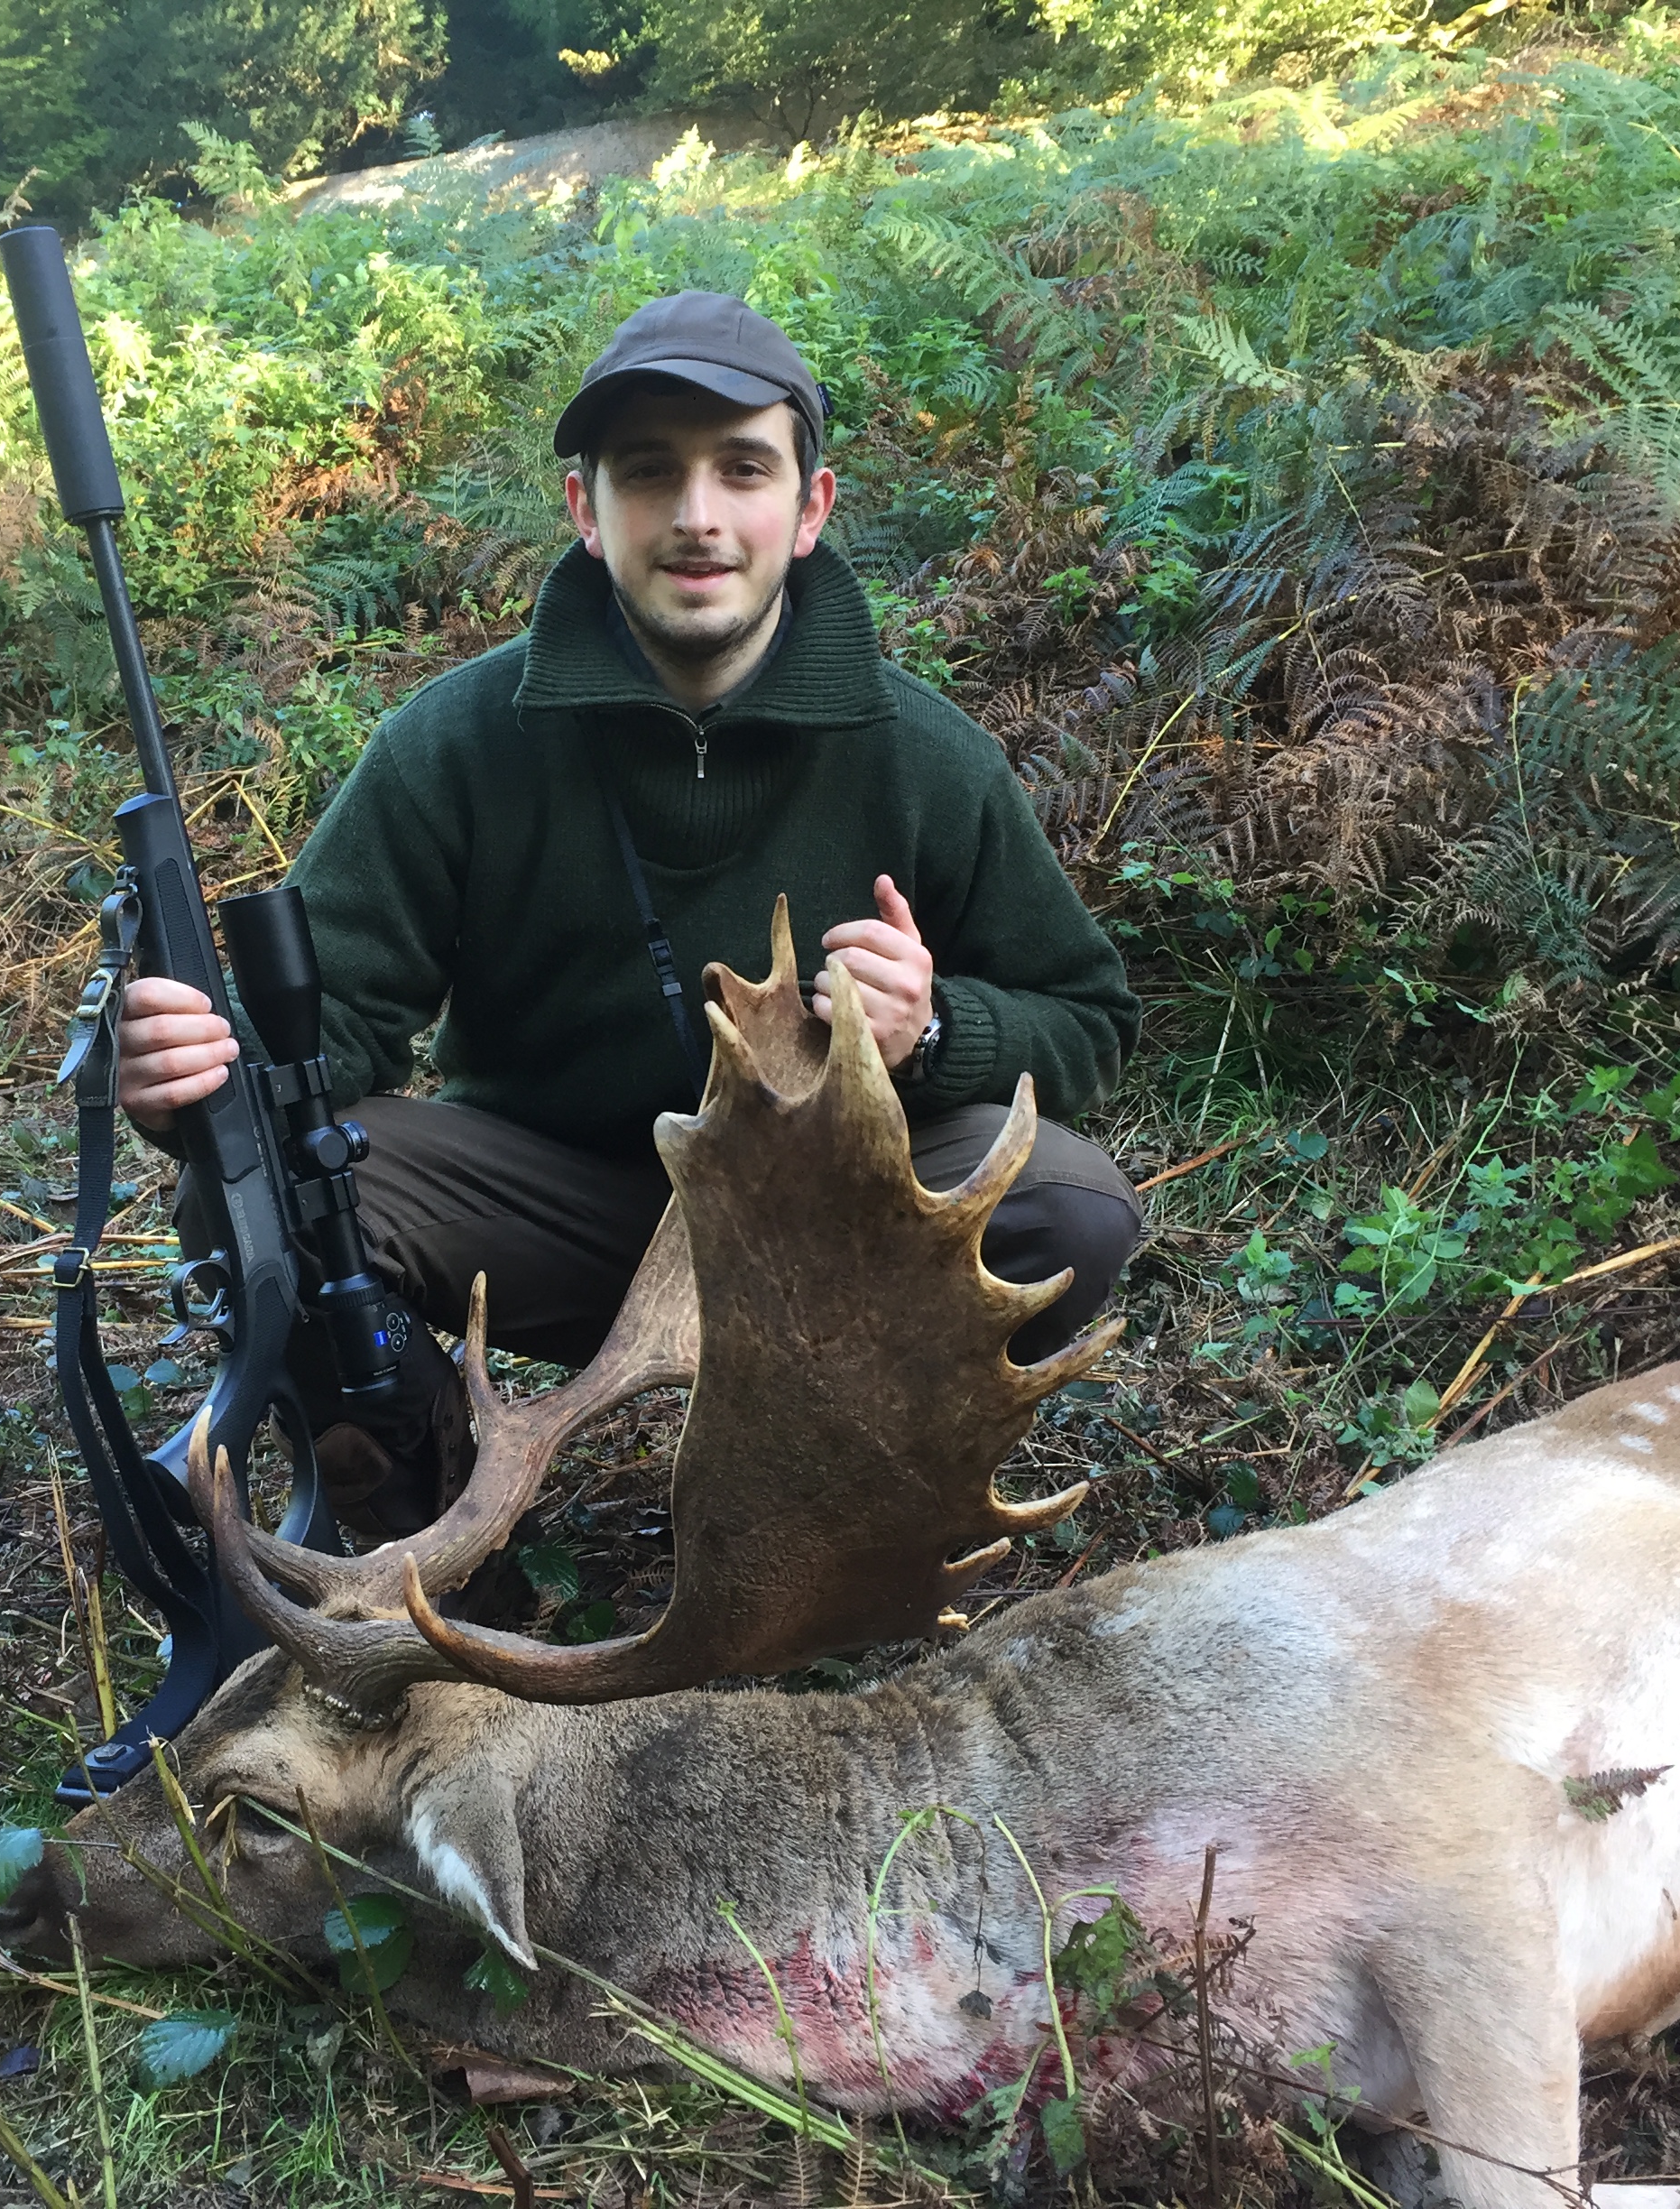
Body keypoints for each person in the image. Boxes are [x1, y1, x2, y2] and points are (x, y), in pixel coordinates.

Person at [115, 291, 1143, 1533]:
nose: (697, 515)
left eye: (743, 469)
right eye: (649, 472)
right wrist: (196, 1079)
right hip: (551, 1219)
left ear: (810, 509)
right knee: (254, 1195)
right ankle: (423, 1528)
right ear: (586, 511)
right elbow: (319, 1036)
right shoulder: (457, 744)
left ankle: (839, 1495)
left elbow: (1088, 1020)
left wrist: (932, 1030)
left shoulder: (926, 756)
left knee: (1071, 1204)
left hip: (818, 1221)